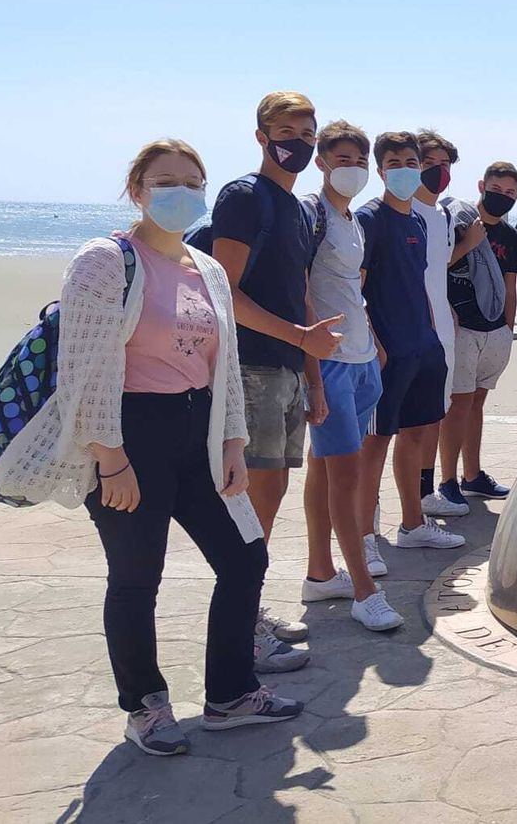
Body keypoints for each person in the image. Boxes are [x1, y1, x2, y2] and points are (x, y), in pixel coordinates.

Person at [0, 140, 304, 755]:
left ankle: (230, 696)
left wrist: (234, 442)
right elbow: (87, 366)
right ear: (137, 189)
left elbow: (225, 361)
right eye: (166, 181)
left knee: (245, 559)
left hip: (202, 431)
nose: (181, 192)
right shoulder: (105, 260)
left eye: (193, 182)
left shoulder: (207, 267)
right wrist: (111, 456)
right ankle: (145, 707)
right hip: (131, 432)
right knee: (137, 577)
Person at [208, 91, 340, 668]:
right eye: (288, 132)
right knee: (250, 501)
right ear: (261, 136)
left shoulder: (300, 210)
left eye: (308, 133)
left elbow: (302, 293)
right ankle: (240, 635)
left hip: (286, 369)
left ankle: (249, 612)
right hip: (251, 369)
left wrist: (313, 377)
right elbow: (224, 293)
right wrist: (298, 341)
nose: (300, 144)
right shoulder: (243, 198)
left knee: (272, 494)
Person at [297, 121, 402, 631]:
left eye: (360, 161)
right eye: (343, 160)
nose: (353, 170)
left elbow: (351, 290)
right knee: (346, 475)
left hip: (361, 360)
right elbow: (304, 293)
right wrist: (312, 375)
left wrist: (376, 342)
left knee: (326, 465)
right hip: (331, 364)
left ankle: (321, 573)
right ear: (321, 163)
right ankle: (364, 590)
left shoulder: (353, 221)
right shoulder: (311, 215)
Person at [356, 132, 464, 552]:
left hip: (424, 345)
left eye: (410, 162)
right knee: (374, 444)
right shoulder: (369, 219)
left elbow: (420, 284)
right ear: (380, 170)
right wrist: (375, 346)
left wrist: (434, 331)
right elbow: (356, 289)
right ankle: (365, 534)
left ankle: (413, 524)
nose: (403, 170)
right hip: (387, 354)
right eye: (394, 163)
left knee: (418, 435)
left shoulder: (418, 220)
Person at [433, 162, 517, 510]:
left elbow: (510, 285)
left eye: (510, 193)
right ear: (482, 185)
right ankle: (447, 480)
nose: (502, 197)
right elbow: (435, 267)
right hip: (462, 327)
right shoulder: (457, 222)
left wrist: (507, 327)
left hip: (494, 330)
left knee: (477, 404)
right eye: (497, 189)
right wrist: (469, 243)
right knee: (458, 406)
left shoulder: (510, 237)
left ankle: (472, 475)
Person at [410, 130, 469, 518]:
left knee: (434, 413)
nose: (437, 172)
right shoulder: (399, 211)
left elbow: (439, 264)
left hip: (441, 332)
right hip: (405, 330)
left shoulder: (445, 215)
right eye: (429, 164)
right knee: (396, 428)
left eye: (444, 165)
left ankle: (424, 493)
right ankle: (377, 509)